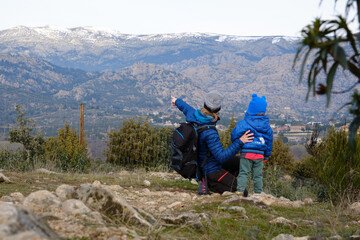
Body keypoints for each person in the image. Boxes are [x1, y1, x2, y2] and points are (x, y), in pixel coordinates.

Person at [171, 90, 254, 194]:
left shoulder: (195, 115)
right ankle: (212, 183)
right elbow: (221, 156)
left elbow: (186, 108)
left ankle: (227, 181)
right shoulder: (210, 132)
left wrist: (177, 101)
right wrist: (240, 141)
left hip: (206, 163)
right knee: (243, 193)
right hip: (210, 171)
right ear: (218, 109)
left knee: (241, 161)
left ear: (205, 105)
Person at [231, 94, 273, 195]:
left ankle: (240, 191)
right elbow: (269, 140)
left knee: (244, 173)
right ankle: (258, 193)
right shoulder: (267, 125)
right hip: (259, 154)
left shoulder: (244, 122)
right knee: (257, 176)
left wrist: (236, 143)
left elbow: (235, 133)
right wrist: (266, 155)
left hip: (246, 153)